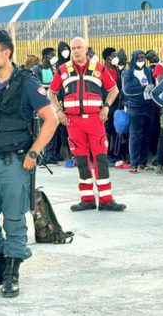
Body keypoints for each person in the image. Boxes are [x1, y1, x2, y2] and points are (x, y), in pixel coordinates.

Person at [0, 30, 58, 297]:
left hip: (15, 161)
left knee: (14, 217)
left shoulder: (27, 82)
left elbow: (51, 120)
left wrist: (34, 153)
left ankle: (13, 271)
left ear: (6, 53)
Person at [49, 37, 126, 212]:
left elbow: (114, 89)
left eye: (79, 48)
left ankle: (106, 200)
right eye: (74, 48)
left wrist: (106, 107)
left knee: (100, 159)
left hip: (95, 120)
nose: (76, 51)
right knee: (81, 161)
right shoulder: (63, 70)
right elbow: (51, 93)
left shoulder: (99, 68)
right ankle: (87, 199)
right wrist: (58, 112)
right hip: (72, 122)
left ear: (86, 49)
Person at [122, 50, 155, 173]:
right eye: (139, 58)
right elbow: (127, 90)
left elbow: (153, 86)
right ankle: (134, 163)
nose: (141, 60)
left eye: (143, 58)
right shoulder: (128, 73)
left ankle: (143, 162)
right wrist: (144, 89)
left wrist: (148, 89)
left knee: (146, 135)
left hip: (148, 107)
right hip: (135, 108)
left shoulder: (148, 72)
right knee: (135, 135)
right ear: (134, 59)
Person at [32, 47, 61, 164]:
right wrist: (51, 88)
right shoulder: (36, 70)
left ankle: (52, 153)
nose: (54, 58)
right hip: (41, 105)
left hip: (52, 103)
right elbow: (40, 86)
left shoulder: (53, 69)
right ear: (45, 57)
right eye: (52, 56)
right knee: (45, 128)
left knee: (54, 130)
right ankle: (46, 155)